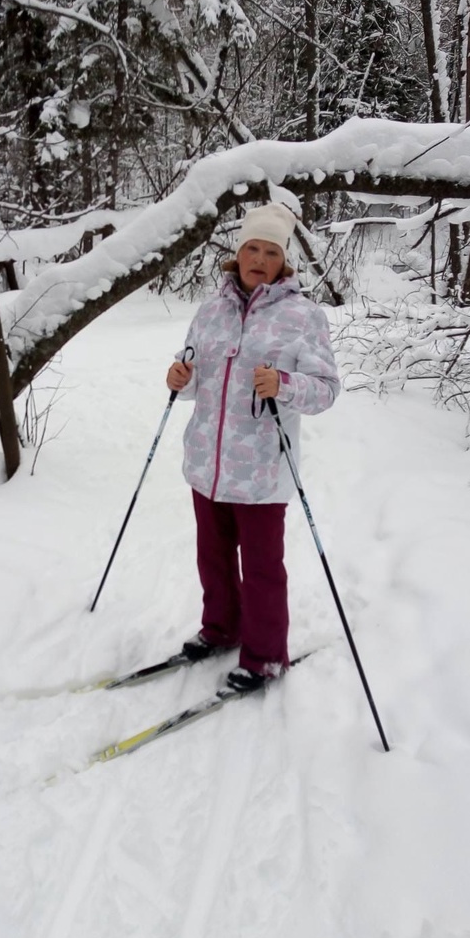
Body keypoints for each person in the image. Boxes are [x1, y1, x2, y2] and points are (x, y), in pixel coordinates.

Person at [166, 202, 341, 692]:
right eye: (251, 248)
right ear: (237, 252)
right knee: (213, 558)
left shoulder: (303, 317)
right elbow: (191, 379)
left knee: (262, 570)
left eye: (270, 251)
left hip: (263, 471)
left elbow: (326, 390)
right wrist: (179, 378)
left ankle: (264, 656)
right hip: (207, 463)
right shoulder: (210, 311)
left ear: (284, 262)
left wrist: (284, 383)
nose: (259, 258)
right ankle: (221, 629)